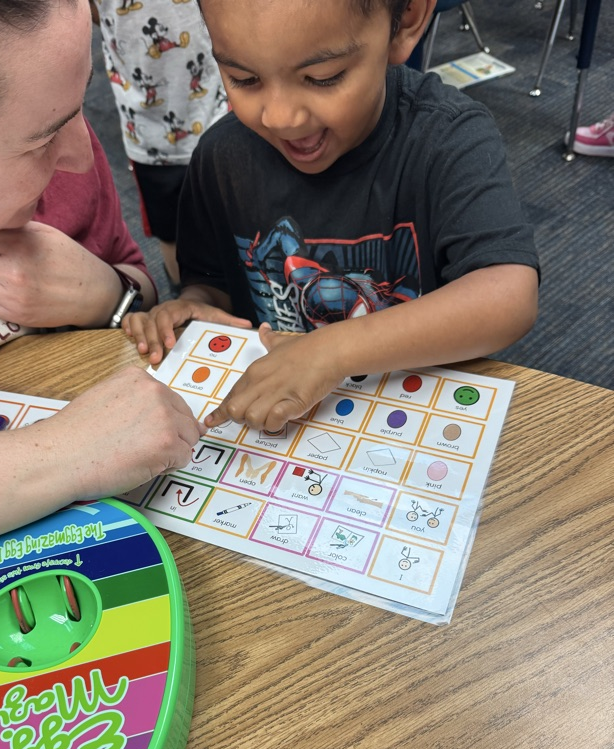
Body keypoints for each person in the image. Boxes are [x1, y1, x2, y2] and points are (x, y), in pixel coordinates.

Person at [0, 0, 213, 590]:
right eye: (41, 141)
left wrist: (106, 294)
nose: (84, 152)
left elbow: (139, 286)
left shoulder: (56, 145)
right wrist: (64, 454)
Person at [123, 0, 540, 434]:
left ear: (408, 19)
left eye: (323, 78)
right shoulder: (221, 158)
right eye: (243, 79)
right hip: (284, 431)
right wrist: (196, 307)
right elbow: (212, 284)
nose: (280, 117)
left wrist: (331, 351)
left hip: (411, 417)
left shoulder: (448, 139)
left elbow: (508, 295)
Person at [91, 0, 226, 294]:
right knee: (171, 230)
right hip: (149, 134)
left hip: (217, 104)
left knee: (230, 214)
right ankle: (181, 291)